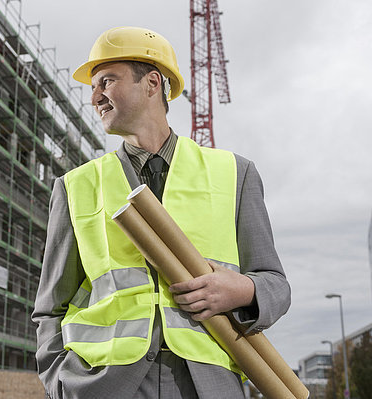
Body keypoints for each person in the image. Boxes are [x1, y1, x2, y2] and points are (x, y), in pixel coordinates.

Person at [32, 26, 290, 399]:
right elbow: (50, 306)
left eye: (106, 81)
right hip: (103, 385)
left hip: (206, 385)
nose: (95, 97)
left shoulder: (235, 173)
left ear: (152, 83)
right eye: (93, 86)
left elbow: (276, 285)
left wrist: (242, 289)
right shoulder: (75, 186)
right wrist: (61, 382)